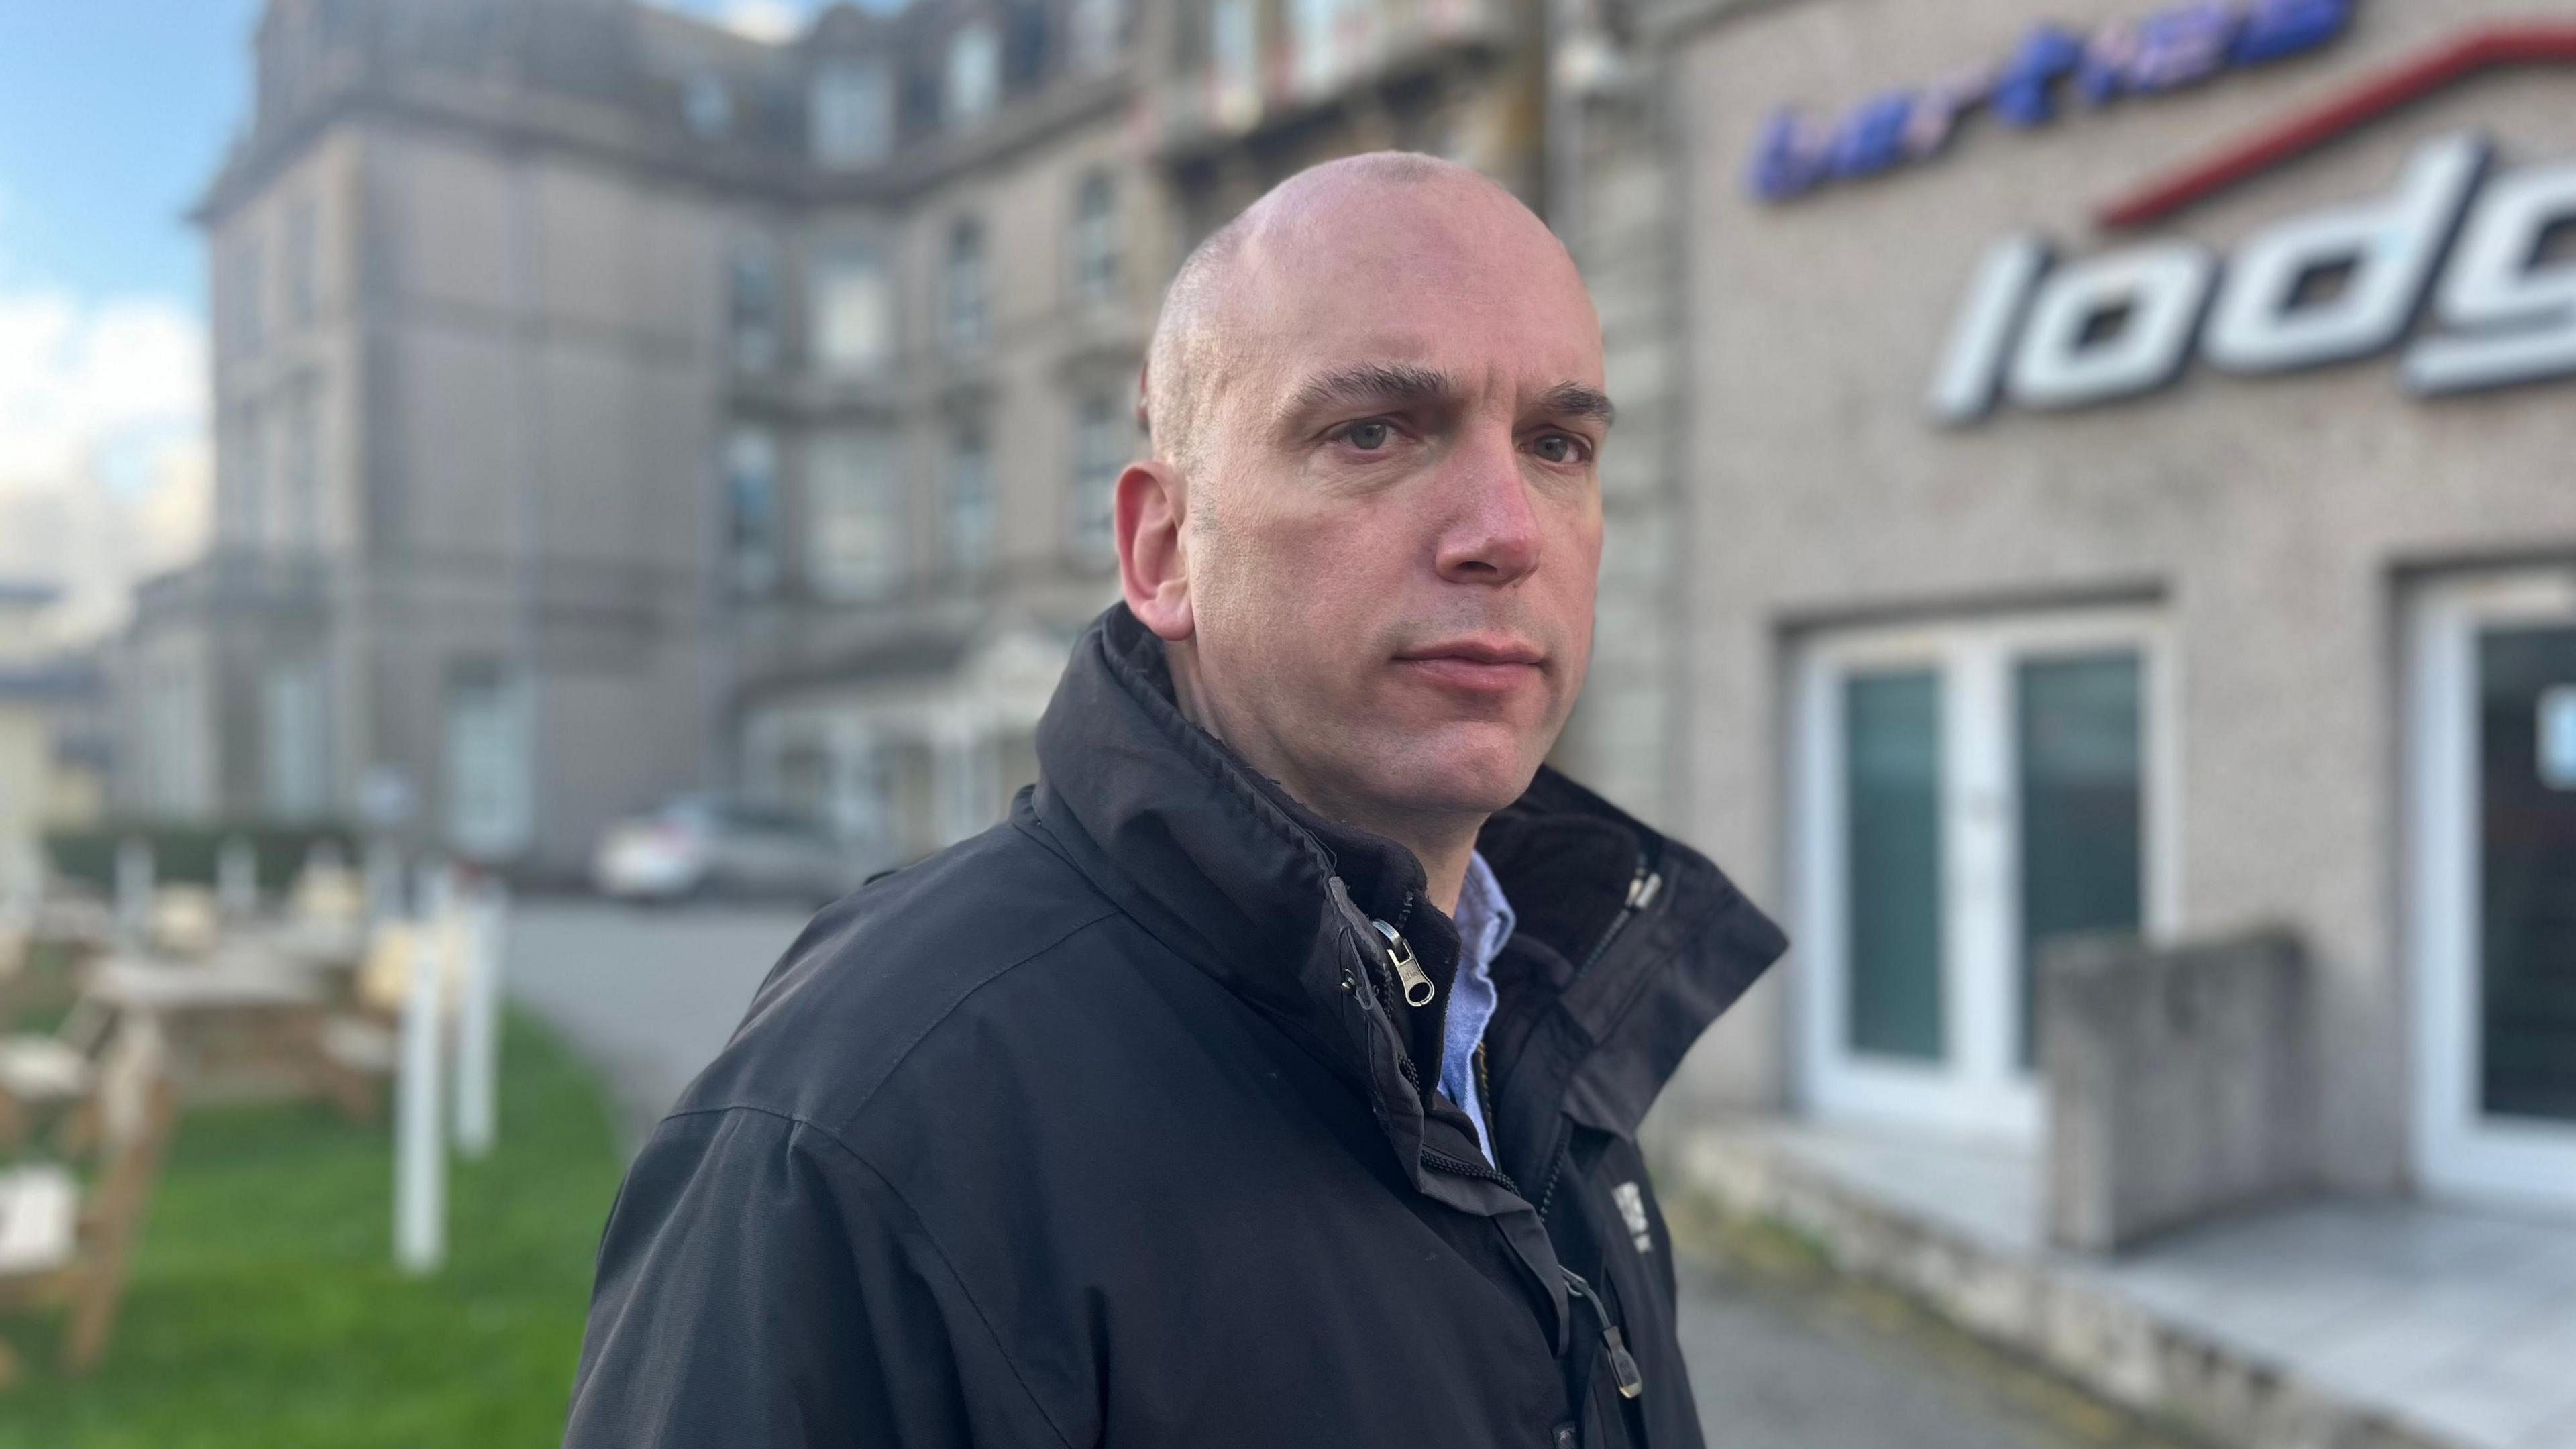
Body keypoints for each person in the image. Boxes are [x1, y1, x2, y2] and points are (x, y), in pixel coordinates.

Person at [564, 152, 1785, 1449]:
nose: (1506, 528)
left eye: (1557, 443)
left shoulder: (1535, 1011)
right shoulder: (864, 1121)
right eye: (1370, 430)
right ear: (1163, 549)